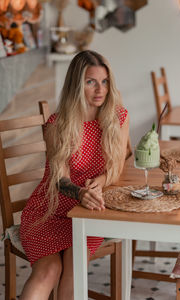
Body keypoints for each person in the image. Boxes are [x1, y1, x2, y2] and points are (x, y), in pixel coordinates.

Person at [19, 50, 130, 300]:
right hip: (49, 210)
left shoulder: (118, 118)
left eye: (104, 81)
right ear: (76, 84)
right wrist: (80, 192)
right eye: (91, 82)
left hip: (87, 212)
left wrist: (99, 183)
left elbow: (116, 167)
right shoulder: (57, 124)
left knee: (72, 271)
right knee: (48, 271)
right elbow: (60, 179)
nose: (99, 90)